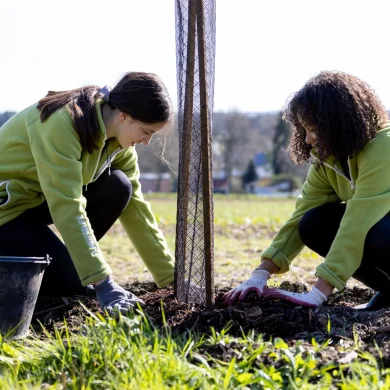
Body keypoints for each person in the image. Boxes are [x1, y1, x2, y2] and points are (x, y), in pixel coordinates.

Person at [0, 72, 175, 315]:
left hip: (32, 206)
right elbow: (68, 205)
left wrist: (170, 278)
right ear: (124, 115)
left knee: (119, 185)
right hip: (5, 215)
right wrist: (103, 282)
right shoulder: (61, 123)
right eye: (146, 132)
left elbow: (137, 210)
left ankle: (67, 264)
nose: (146, 141)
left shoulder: (118, 144)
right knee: (74, 280)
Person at [222, 71, 390, 310]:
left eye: (313, 128)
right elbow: (301, 215)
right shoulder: (328, 158)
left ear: (337, 123)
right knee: (314, 223)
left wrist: (317, 295)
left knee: (373, 229)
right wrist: (260, 275)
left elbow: (357, 223)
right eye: (304, 129)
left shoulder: (384, 147)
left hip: (376, 226)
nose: (308, 139)